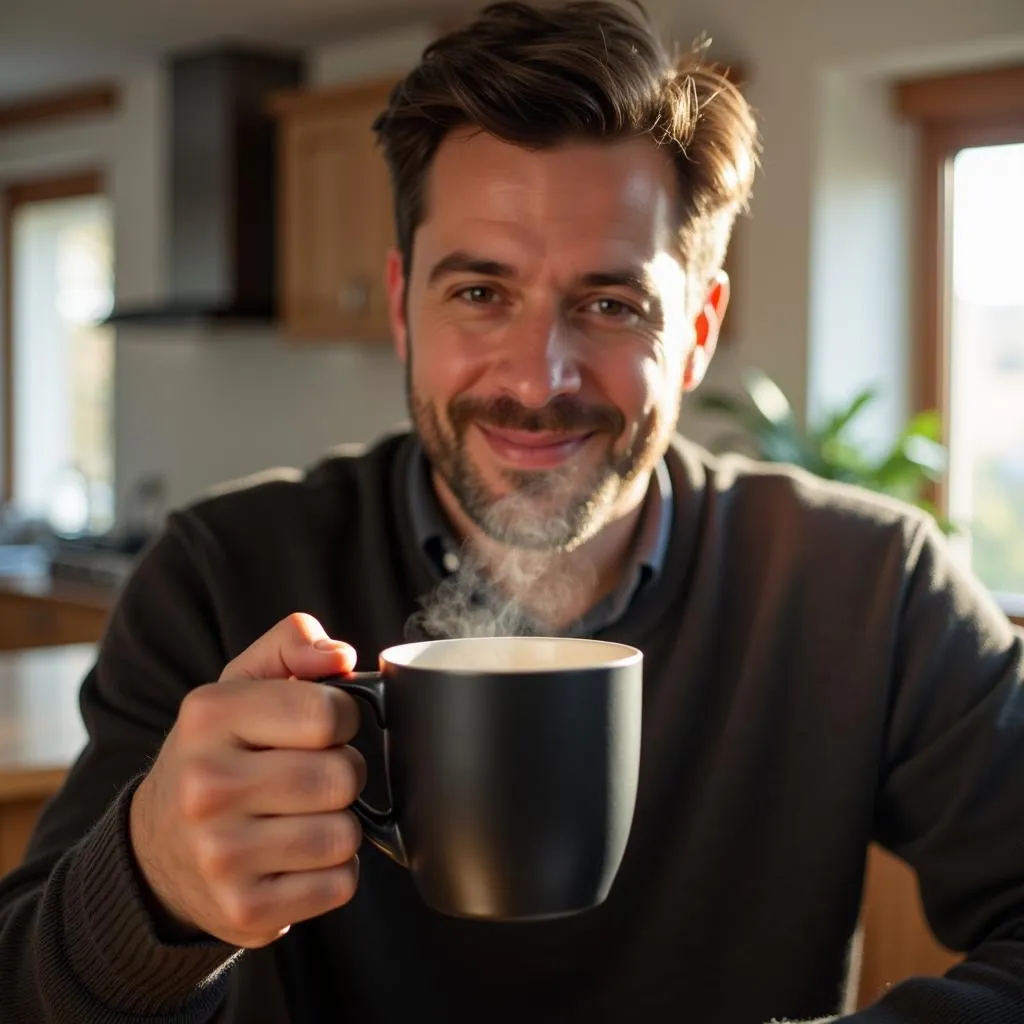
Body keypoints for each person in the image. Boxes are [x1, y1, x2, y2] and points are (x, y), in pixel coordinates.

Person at [1, 2, 1022, 1021]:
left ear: (699, 329)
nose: (538, 379)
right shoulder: (222, 574)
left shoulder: (867, 585)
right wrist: (155, 888)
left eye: (610, 304)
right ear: (403, 309)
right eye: (481, 294)